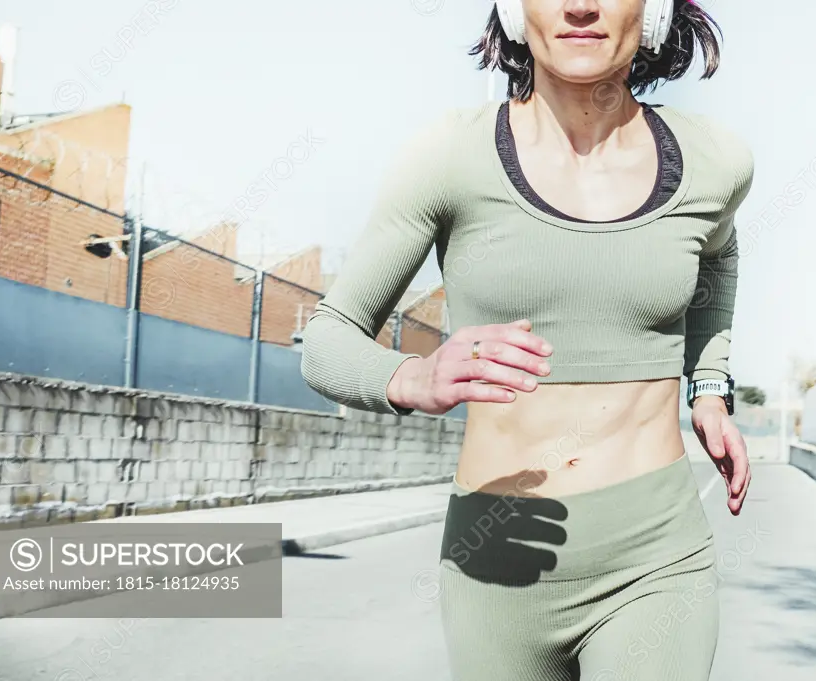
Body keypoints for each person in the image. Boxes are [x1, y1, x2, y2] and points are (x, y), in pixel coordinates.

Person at [301, 0, 753, 678]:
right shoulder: (448, 156)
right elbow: (326, 340)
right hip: (496, 559)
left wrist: (710, 386)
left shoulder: (715, 162)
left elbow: (717, 255)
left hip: (655, 557)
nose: (579, 5)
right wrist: (414, 377)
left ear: (654, 10)